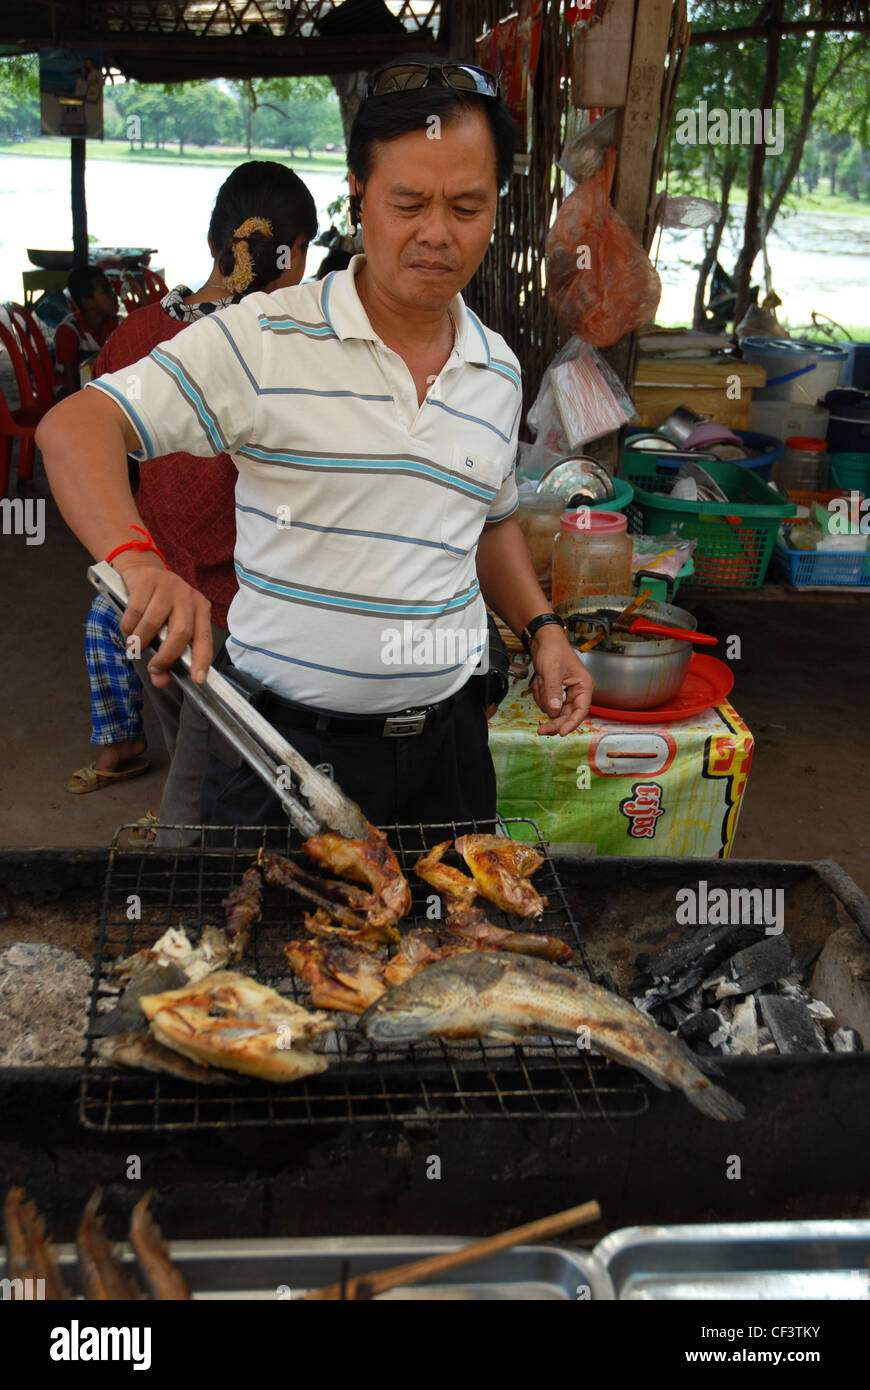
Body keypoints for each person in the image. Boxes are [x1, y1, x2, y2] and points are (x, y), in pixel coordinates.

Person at [38, 57, 594, 832]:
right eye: (408, 202)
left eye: (467, 206)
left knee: (454, 950)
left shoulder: (496, 366)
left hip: (450, 753)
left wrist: (544, 631)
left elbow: (488, 518)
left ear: (496, 208)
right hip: (285, 755)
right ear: (358, 197)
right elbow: (74, 427)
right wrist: (134, 559)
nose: (437, 233)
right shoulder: (264, 336)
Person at [63, 162, 318, 843]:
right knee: (200, 794)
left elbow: (105, 458)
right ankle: (175, 905)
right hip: (233, 607)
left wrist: (136, 557)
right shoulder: (275, 346)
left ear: (216, 241)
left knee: (195, 751)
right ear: (290, 253)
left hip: (145, 595)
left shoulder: (135, 332)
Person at [54, 267, 119, 397]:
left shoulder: (114, 324)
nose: (114, 295)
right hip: (69, 395)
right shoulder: (68, 331)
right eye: (107, 291)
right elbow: (70, 386)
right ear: (88, 303)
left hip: (99, 387)